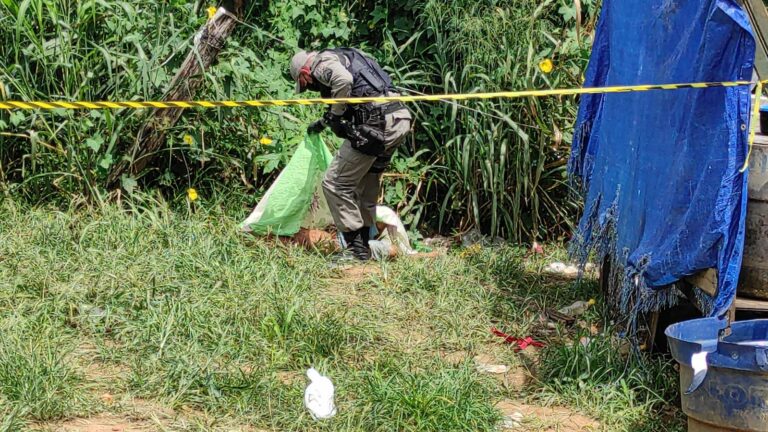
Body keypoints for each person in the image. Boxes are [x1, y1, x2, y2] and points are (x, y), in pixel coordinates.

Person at [289, 48, 412, 261]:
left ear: (304, 73)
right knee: (365, 183)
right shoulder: (350, 56)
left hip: (377, 124)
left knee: (334, 183)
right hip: (398, 120)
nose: (309, 87)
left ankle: (356, 251)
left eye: (305, 83)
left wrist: (335, 116)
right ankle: (367, 246)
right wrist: (325, 122)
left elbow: (343, 80)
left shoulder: (321, 63)